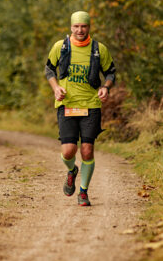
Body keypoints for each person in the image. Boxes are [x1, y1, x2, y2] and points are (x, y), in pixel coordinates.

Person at [45, 11, 116, 206]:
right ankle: (72, 170)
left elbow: (111, 72)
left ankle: (83, 192)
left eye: (83, 26)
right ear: (71, 27)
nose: (80, 30)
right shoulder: (60, 47)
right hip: (67, 105)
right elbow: (49, 69)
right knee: (69, 151)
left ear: (89, 27)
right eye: (76, 26)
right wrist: (55, 88)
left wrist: (105, 87)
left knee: (87, 150)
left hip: (91, 105)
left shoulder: (99, 49)